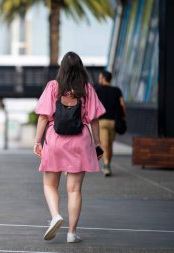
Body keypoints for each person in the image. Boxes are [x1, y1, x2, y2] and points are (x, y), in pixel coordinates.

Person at [33, 52, 105, 243]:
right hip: (79, 141)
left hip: (55, 140)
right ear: (81, 68)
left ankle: (56, 215)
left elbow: (43, 116)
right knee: (74, 190)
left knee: (50, 184)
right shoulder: (86, 89)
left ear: (62, 68)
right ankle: (72, 233)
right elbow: (94, 119)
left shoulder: (53, 87)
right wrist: (97, 143)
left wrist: (37, 141)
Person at [95, 71, 127, 176]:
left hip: (102, 121)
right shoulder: (117, 90)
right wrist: (124, 117)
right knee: (110, 144)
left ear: (104, 78)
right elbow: (122, 104)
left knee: (104, 144)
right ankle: (107, 164)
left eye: (100, 77)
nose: (99, 79)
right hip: (114, 121)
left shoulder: (98, 90)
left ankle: (106, 165)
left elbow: (93, 105)